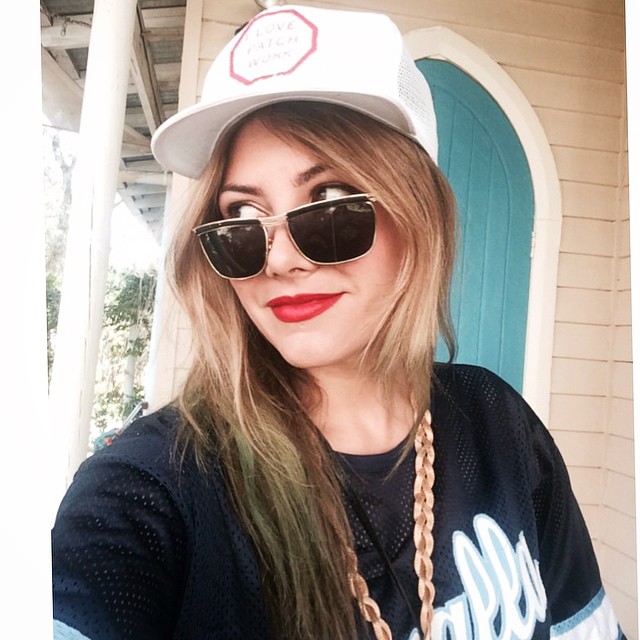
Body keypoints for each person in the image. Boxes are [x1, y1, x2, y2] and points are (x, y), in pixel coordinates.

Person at [51, 5, 626, 640]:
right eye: (242, 218)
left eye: (327, 203)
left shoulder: (499, 425)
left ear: (416, 217)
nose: (280, 260)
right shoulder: (154, 483)